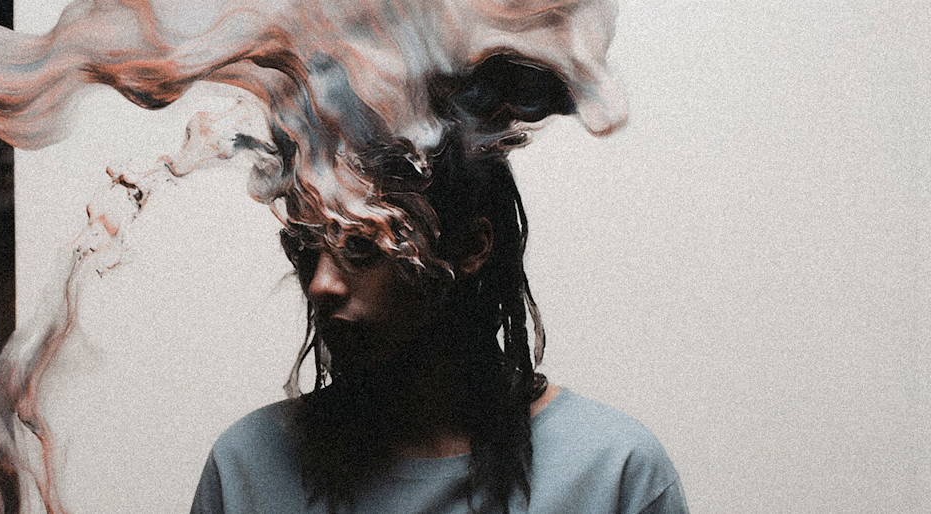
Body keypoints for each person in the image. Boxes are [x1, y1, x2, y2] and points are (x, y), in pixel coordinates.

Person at [189, 56, 688, 514]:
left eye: (362, 244)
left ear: (470, 247)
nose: (321, 284)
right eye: (304, 247)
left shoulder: (612, 471)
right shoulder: (247, 468)